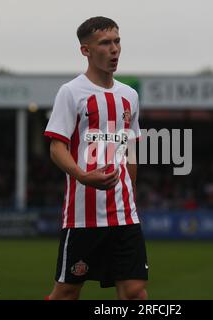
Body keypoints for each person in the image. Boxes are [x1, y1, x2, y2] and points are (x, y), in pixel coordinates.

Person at [43, 16, 148, 300]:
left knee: (135, 291)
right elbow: (56, 147)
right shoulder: (71, 92)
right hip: (83, 217)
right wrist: (83, 176)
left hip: (125, 215)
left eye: (117, 41)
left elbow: (132, 150)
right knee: (66, 292)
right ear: (86, 50)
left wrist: (131, 194)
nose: (114, 49)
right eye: (105, 43)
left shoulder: (130, 96)